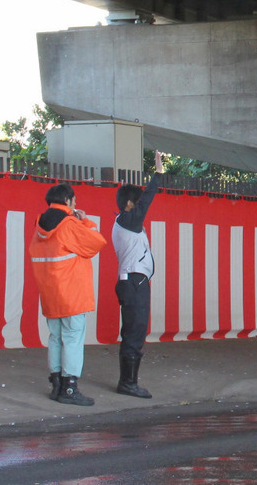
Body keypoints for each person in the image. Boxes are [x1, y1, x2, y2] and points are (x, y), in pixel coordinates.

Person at [29, 183, 107, 406]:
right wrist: (84, 220)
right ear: (67, 201)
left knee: (55, 338)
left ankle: (56, 385)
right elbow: (96, 242)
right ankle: (70, 389)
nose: (76, 204)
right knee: (72, 339)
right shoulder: (69, 224)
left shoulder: (39, 228)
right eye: (74, 200)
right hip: (72, 294)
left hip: (50, 294)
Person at [111, 151, 165, 398]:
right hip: (133, 282)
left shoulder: (127, 223)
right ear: (129, 204)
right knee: (135, 330)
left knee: (135, 329)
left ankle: (128, 381)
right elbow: (146, 201)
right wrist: (157, 173)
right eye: (136, 202)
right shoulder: (127, 220)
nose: (140, 206)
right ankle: (128, 383)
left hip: (134, 281)